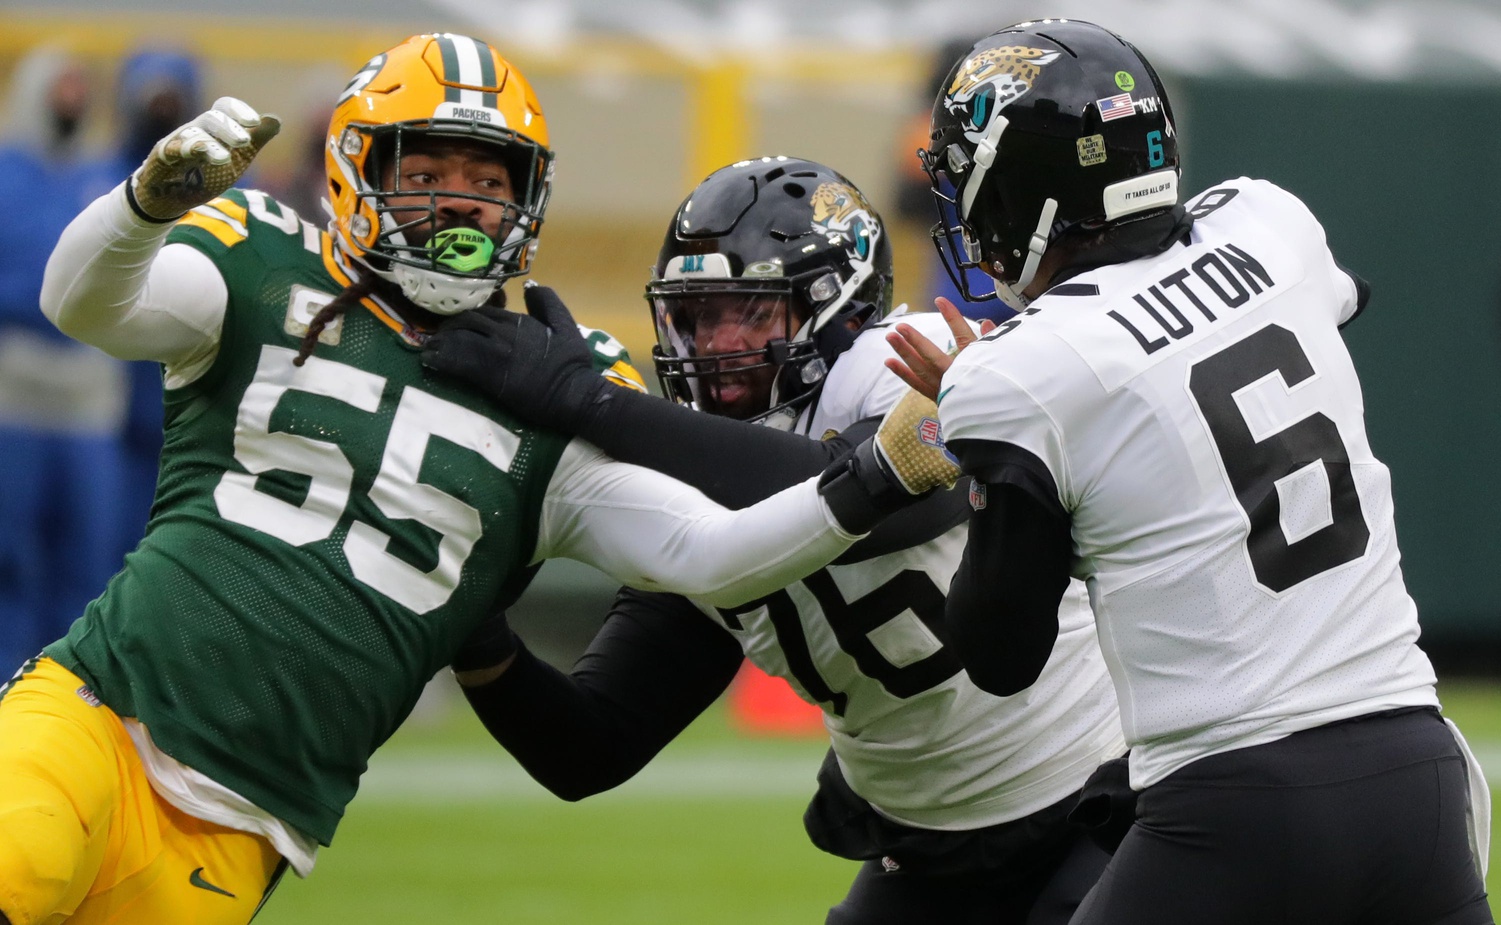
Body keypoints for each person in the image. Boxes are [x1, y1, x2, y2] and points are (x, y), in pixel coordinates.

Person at [1, 34, 945, 925]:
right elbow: (83, 303)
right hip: (97, 710)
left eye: (486, 180)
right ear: (360, 171)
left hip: (251, 819)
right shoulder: (263, 257)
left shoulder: (562, 383)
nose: (459, 203)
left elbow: (709, 552)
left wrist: (871, 476)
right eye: (426, 173)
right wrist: (142, 207)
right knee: (19, 861)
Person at [884, 18, 1493, 924]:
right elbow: (1294, 333)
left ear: (1024, 188)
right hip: (1421, 773)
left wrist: (985, 444)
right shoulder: (1266, 220)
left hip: (1237, 802)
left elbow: (999, 654)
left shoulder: (1019, 371)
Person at [420, 156, 1125, 925]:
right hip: (924, 851)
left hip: (1095, 802)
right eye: (695, 316)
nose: (716, 344)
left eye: (749, 313)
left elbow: (871, 493)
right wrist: (476, 630)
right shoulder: (692, 475)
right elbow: (591, 747)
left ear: (838, 304)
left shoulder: (904, 358)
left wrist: (580, 399)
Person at [0, 44, 130, 675]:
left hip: (88, 398)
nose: (72, 99)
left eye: (82, 86)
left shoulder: (105, 176)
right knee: (12, 557)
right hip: (15, 395)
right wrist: (57, 296)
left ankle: (69, 695)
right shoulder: (6, 170)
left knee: (88, 561)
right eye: (62, 84)